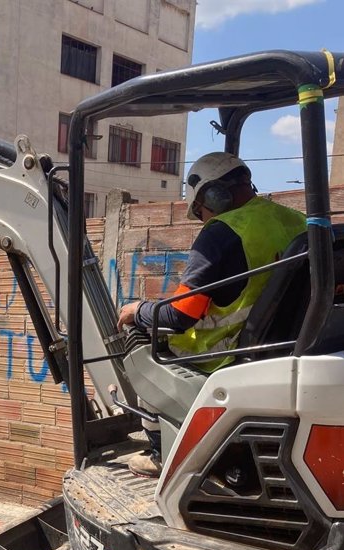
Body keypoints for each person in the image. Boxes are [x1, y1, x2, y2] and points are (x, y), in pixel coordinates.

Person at [117, 151, 306, 477]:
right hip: (284, 345)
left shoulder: (222, 232)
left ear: (214, 196)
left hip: (226, 353)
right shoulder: (295, 221)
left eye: (201, 211)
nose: (204, 219)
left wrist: (138, 309)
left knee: (140, 344)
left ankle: (161, 452)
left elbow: (179, 316)